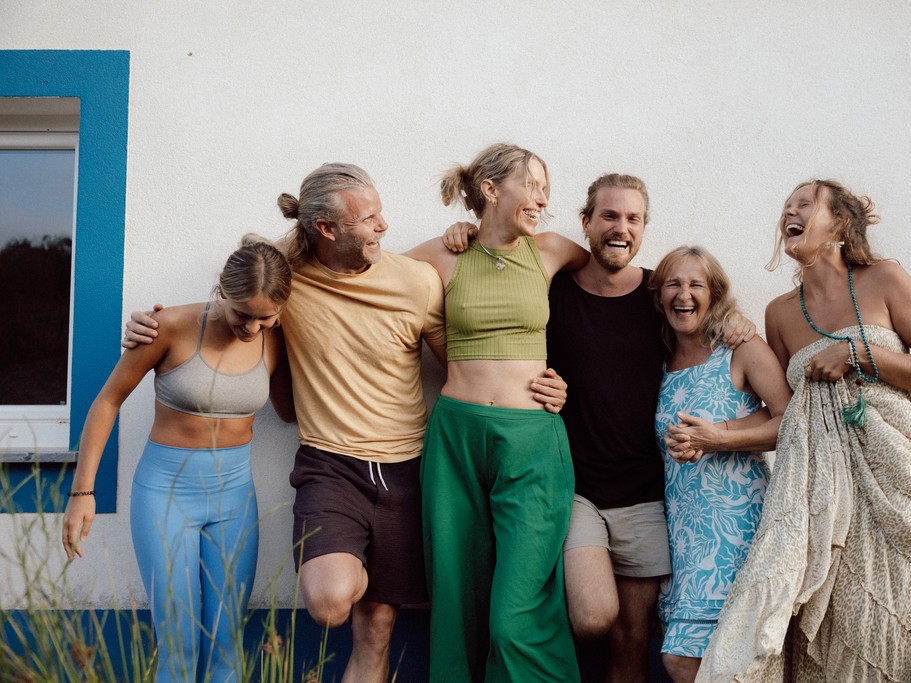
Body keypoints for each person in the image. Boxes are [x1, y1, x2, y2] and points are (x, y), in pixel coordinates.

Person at [125, 163, 567, 683]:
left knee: (376, 630)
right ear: (326, 230)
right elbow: (240, 295)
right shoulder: (290, 277)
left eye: (381, 213)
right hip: (330, 466)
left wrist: (543, 385)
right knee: (330, 601)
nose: (384, 225)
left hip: (408, 470)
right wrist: (155, 324)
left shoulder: (417, 279)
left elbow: (464, 366)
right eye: (370, 218)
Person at [445, 174, 757, 683]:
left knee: (633, 637)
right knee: (594, 618)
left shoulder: (659, 295)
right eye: (609, 216)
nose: (621, 227)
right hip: (574, 486)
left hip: (646, 492)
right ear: (586, 223)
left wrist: (736, 320)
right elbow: (495, 283)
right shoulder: (549, 289)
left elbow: (701, 311)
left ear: (643, 229)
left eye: (633, 218)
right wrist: (466, 233)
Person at [695, 180, 911, 682]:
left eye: (804, 204)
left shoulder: (884, 279)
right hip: (820, 496)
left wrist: (859, 353)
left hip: (903, 484)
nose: (789, 211)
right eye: (786, 206)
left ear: (841, 223)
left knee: (909, 629)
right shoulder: (779, 313)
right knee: (834, 637)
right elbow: (783, 416)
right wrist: (714, 431)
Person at [63, 236, 292, 682]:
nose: (251, 328)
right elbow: (107, 401)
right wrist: (82, 492)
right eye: (241, 314)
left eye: (264, 317)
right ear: (220, 291)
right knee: (179, 640)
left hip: (234, 498)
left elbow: (288, 411)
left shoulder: (276, 338)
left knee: (228, 639)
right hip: (166, 496)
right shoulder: (166, 326)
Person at [405, 143, 590, 681]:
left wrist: (723, 318)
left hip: (532, 441)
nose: (543, 198)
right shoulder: (442, 256)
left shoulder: (552, 250)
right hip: (456, 439)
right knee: (456, 598)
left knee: (517, 612)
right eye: (532, 185)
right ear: (490, 190)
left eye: (545, 189)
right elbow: (367, 275)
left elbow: (615, 280)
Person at [649, 246, 791, 683]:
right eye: (673, 283)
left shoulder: (739, 348)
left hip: (737, 530)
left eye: (696, 284)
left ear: (715, 294)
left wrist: (719, 436)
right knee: (707, 661)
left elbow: (792, 420)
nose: (684, 294)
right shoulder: (656, 360)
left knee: (686, 659)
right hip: (684, 537)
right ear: (659, 295)